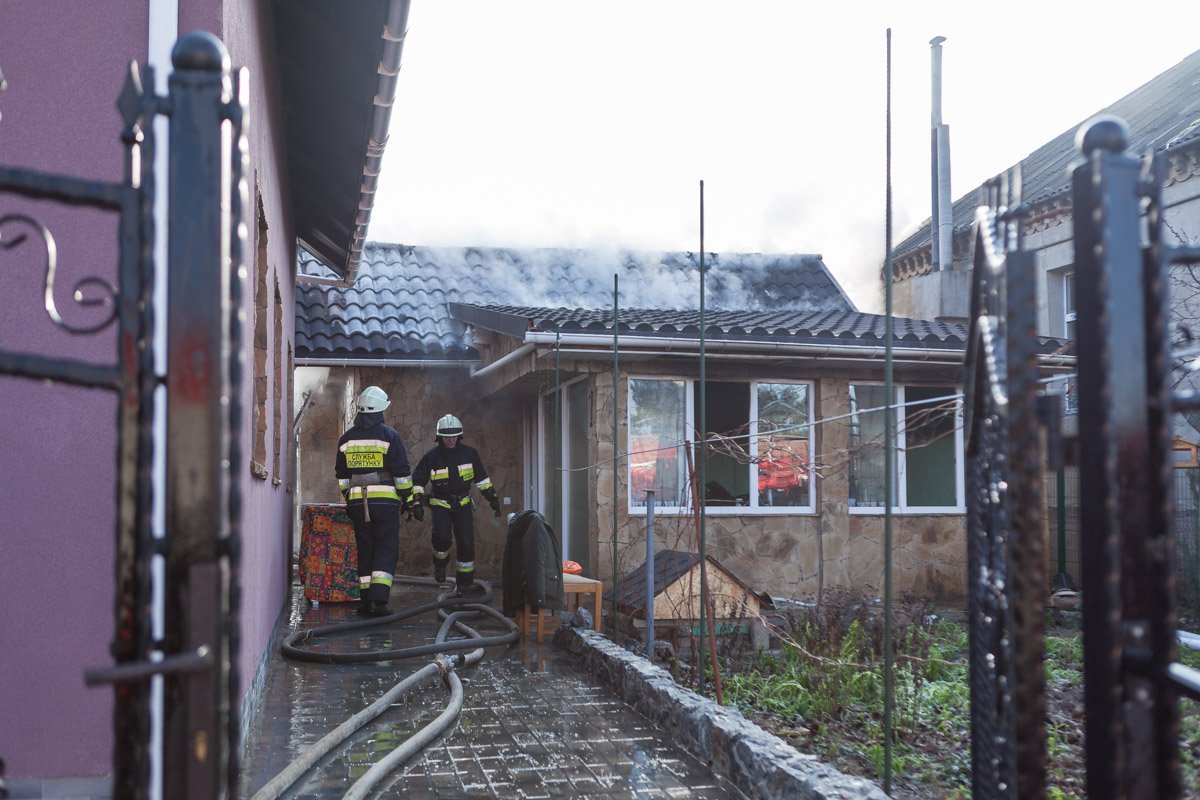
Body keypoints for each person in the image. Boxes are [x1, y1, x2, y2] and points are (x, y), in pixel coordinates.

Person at [334, 385, 413, 617]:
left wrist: (350, 499)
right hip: (386, 504)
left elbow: (341, 475)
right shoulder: (390, 436)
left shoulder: (346, 439)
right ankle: (379, 601)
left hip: (358, 504)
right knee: (385, 548)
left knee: (365, 549)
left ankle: (366, 600)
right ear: (380, 411)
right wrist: (408, 498)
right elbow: (401, 473)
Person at [410, 414, 501, 596]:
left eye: (453, 436)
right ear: (440, 437)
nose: (450, 440)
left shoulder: (470, 454)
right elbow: (418, 480)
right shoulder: (431, 457)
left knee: (466, 544)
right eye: (446, 437)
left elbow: (482, 479)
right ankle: (440, 565)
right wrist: (417, 502)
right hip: (440, 504)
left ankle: (464, 585)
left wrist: (492, 499)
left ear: (459, 436)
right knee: (442, 539)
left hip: (463, 504)